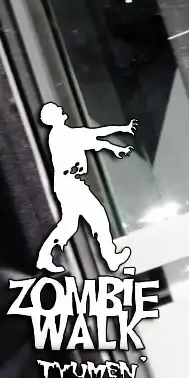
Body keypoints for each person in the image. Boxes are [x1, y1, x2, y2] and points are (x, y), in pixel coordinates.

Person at [36, 104, 136, 273]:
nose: (61, 109)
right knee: (98, 218)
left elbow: (96, 140)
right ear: (53, 117)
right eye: (57, 110)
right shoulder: (62, 135)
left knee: (69, 225)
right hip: (71, 185)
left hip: (70, 185)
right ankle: (111, 257)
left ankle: (44, 256)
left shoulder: (65, 134)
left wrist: (117, 145)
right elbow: (96, 135)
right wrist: (122, 131)